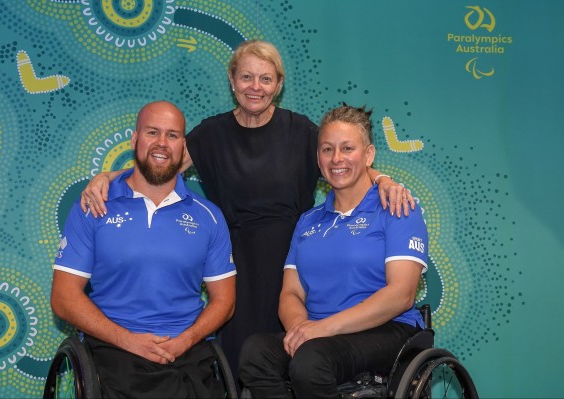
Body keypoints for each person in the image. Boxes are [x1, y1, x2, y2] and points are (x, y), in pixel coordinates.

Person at [79, 40, 415, 378]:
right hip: (233, 261)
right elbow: (158, 164)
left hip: (291, 257)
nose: (256, 87)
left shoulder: (300, 131)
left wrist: (383, 179)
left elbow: (341, 161)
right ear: (232, 80)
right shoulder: (211, 133)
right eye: (246, 77)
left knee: (294, 356)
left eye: (266, 79)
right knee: (241, 358)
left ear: (279, 85)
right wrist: (108, 177)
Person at [237, 104, 428, 399]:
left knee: (311, 361)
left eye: (347, 148)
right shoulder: (308, 221)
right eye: (327, 149)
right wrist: (301, 327)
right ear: (318, 158)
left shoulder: (397, 207)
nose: (336, 158)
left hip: (387, 330)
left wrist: (323, 329)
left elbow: (401, 294)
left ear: (369, 155)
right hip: (320, 335)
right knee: (255, 353)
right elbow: (291, 293)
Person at [51, 101, 236, 398]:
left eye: (172, 135)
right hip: (115, 350)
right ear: (135, 140)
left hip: (187, 351)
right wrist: (129, 341)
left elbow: (224, 301)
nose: (162, 143)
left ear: (183, 146)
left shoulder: (209, 216)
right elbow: (63, 298)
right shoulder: (94, 206)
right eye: (153, 132)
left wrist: (185, 341)